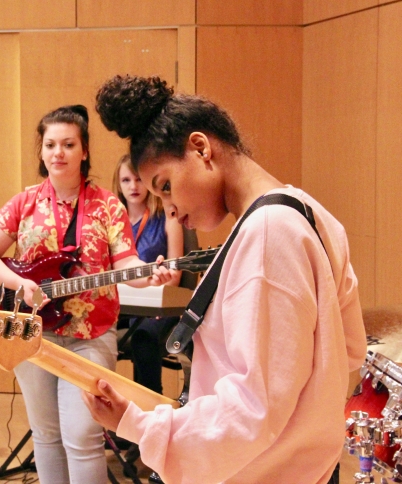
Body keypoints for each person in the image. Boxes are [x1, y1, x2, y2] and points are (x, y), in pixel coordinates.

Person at [82, 75, 367, 484]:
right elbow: (350, 347)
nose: (172, 211)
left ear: (201, 148)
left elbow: (253, 408)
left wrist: (137, 424)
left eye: (166, 186)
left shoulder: (267, 234)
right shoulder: (310, 212)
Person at [0, 104, 174, 484]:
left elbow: (125, 263)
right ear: (42, 151)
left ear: (85, 151)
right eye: (50, 145)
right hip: (33, 333)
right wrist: (19, 284)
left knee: (82, 435)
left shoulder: (107, 204)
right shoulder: (24, 202)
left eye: (68, 144)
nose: (58, 153)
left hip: (92, 334)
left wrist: (150, 276)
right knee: (46, 436)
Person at [113, 154, 183, 395]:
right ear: (118, 185)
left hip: (158, 303)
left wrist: (151, 288)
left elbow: (174, 274)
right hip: (119, 304)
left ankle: (151, 409)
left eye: (138, 179)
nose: (133, 187)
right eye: (126, 180)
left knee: (142, 333)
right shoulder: (111, 223)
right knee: (91, 331)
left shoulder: (168, 216)